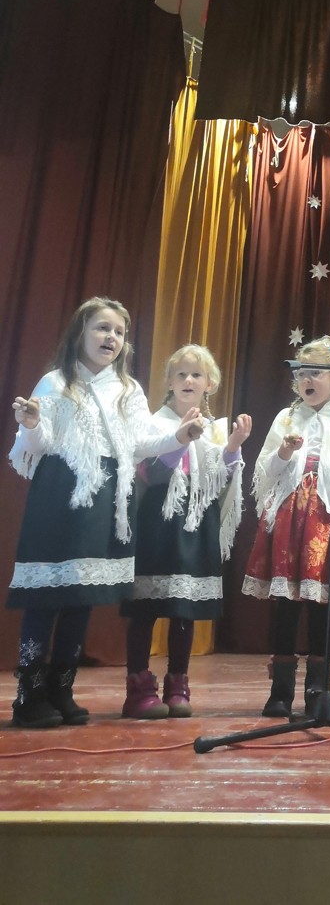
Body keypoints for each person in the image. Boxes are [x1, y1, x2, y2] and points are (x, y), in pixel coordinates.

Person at [7, 297, 203, 729]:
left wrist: (180, 435)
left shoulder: (127, 390)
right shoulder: (55, 383)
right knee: (47, 595)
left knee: (82, 596)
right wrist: (32, 423)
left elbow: (143, 443)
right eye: (101, 328)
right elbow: (36, 447)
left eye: (118, 331)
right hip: (60, 496)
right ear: (80, 333)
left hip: (107, 500)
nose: (110, 337)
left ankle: (62, 689)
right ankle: (30, 695)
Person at [120, 344, 250, 719]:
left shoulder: (215, 429)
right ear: (169, 382)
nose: (188, 380)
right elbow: (149, 473)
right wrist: (181, 439)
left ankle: (178, 682)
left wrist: (233, 447)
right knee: (146, 607)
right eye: (181, 374)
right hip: (159, 520)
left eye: (196, 374)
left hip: (196, 521)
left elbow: (220, 481)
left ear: (210, 383)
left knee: (184, 607)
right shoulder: (154, 422)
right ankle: (138, 686)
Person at [242, 336, 330, 719]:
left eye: (317, 373)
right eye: (302, 373)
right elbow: (266, 470)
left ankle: (318, 689)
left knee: (321, 602)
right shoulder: (286, 417)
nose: (308, 380)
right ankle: (280, 690)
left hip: (327, 516)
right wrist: (284, 452)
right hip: (290, 515)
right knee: (285, 603)